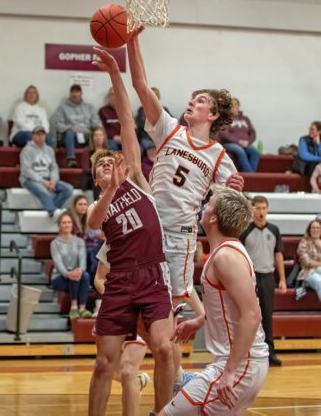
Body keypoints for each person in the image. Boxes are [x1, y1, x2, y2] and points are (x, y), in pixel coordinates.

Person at [126, 29, 244, 391]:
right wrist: (131, 41)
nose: (192, 102)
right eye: (192, 98)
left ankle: (174, 384)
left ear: (215, 113)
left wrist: (238, 191)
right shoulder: (168, 130)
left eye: (201, 100)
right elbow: (142, 86)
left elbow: (231, 209)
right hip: (145, 231)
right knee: (142, 313)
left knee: (168, 317)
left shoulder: (222, 159)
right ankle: (170, 378)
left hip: (177, 241)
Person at [88, 48, 174, 416]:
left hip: (153, 274)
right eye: (102, 165)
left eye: (111, 160)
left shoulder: (137, 178)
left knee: (165, 347)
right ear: (96, 179)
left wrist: (114, 74)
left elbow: (125, 117)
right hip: (120, 281)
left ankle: (162, 413)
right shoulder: (96, 205)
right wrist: (110, 188)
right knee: (104, 364)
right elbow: (94, 223)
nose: (109, 163)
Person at [160, 185, 269, 416]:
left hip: (240, 365)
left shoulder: (226, 257)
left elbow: (252, 315)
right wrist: (200, 321)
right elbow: (231, 305)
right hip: (243, 363)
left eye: (208, 203)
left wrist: (229, 372)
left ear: (214, 218)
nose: (204, 205)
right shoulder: (225, 252)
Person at [94, 246, 150, 416]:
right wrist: (116, 297)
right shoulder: (112, 242)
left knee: (127, 370)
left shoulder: (150, 238)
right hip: (114, 312)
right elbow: (99, 278)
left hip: (140, 312)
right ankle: (138, 382)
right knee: (110, 370)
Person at [240, 195, 287, 367]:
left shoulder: (274, 230)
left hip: (267, 277)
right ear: (252, 209)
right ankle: (246, 353)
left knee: (267, 315)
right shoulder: (244, 230)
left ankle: (270, 353)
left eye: (263, 208)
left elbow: (278, 255)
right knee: (249, 316)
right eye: (257, 208)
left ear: (267, 209)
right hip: (249, 278)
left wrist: (282, 279)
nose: (261, 211)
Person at [19, 125, 73, 220]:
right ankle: (53, 212)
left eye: (42, 134)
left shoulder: (49, 150)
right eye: (38, 134)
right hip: (30, 180)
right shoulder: (26, 150)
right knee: (43, 191)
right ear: (33, 136)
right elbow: (26, 170)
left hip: (48, 179)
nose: (41, 136)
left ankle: (51, 208)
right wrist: (43, 182)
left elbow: (54, 168)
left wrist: (53, 181)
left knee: (68, 189)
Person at [50, 212, 91, 319]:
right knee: (74, 276)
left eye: (69, 222)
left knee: (85, 275)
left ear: (72, 224)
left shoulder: (79, 241)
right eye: (64, 223)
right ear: (59, 225)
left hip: (76, 275)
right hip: (59, 278)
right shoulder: (55, 243)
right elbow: (58, 263)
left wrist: (80, 270)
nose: (67, 225)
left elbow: (83, 261)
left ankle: (82, 308)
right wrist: (68, 274)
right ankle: (73, 307)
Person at [55, 84, 101, 167]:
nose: (74, 94)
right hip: (71, 137)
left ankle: (98, 160)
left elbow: (97, 123)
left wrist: (96, 131)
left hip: (86, 135)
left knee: (98, 134)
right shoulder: (62, 108)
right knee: (69, 132)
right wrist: (70, 127)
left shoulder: (89, 107)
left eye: (77, 92)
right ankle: (71, 159)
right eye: (72, 92)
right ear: (70, 93)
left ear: (81, 94)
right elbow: (58, 125)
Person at [69, 194, 104, 282]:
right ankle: (93, 277)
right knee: (93, 253)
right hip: (76, 248)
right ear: (74, 206)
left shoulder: (88, 218)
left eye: (85, 204)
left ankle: (95, 277)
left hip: (89, 247)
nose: (83, 207)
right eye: (80, 204)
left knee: (101, 246)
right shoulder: (70, 219)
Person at [219, 97, 259, 172]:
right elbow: (225, 134)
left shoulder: (245, 119)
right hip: (229, 144)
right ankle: (250, 175)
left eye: (237, 105)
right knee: (240, 150)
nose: (235, 107)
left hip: (245, 144)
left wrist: (248, 142)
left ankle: (252, 174)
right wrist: (238, 142)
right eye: (233, 106)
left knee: (255, 151)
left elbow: (253, 133)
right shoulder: (225, 119)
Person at [135, 87, 172, 153]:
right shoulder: (141, 111)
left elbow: (171, 124)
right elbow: (139, 127)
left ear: (159, 97)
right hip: (146, 138)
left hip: (162, 138)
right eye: (151, 95)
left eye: (156, 95)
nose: (153, 97)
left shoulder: (164, 110)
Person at [81, 126, 109, 199]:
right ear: (92, 138)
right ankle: (97, 204)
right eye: (96, 135)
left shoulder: (109, 152)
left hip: (106, 176)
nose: (98, 137)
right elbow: (85, 169)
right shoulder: (87, 151)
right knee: (98, 181)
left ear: (104, 137)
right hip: (91, 178)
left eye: (100, 135)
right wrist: (99, 172)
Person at [297, 219, 321, 302]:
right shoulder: (304, 243)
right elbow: (307, 262)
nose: (316, 230)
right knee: (319, 281)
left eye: (318, 228)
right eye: (313, 228)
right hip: (308, 273)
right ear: (309, 230)